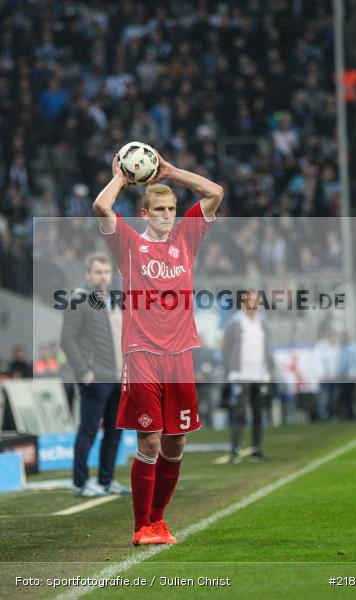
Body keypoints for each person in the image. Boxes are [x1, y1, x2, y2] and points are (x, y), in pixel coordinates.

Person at [93, 151, 223, 545]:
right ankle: (141, 526)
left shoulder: (187, 237)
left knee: (177, 440)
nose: (167, 214)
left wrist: (170, 173)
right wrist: (121, 176)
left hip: (181, 354)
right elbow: (101, 205)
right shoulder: (129, 245)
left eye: (171, 208)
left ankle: (159, 521)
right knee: (149, 439)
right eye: (159, 209)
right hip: (142, 353)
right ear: (145, 214)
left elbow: (215, 192)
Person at [61, 253, 128, 497]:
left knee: (114, 432)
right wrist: (85, 373)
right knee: (88, 431)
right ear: (88, 275)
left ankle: (106, 481)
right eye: (98, 272)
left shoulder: (113, 300)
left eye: (106, 272)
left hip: (117, 377)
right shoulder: (79, 299)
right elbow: (66, 340)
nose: (103, 276)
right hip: (95, 377)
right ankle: (81, 482)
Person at [222, 291, 272, 463]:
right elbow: (226, 348)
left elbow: (266, 348)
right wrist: (230, 371)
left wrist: (268, 371)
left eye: (256, 301)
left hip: (259, 375)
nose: (253, 304)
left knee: (259, 413)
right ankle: (235, 449)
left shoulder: (262, 322)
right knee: (240, 413)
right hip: (240, 375)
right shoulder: (235, 322)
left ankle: (257, 449)